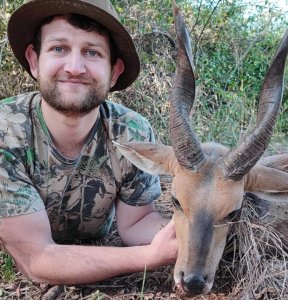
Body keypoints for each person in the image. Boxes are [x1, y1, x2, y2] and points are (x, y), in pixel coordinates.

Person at [0, 0, 177, 285]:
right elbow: (38, 260)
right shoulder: (6, 130)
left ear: (114, 71)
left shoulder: (131, 132)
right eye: (59, 49)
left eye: (91, 52)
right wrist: (150, 256)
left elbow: (135, 224)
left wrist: (191, 231)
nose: (74, 67)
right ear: (34, 61)